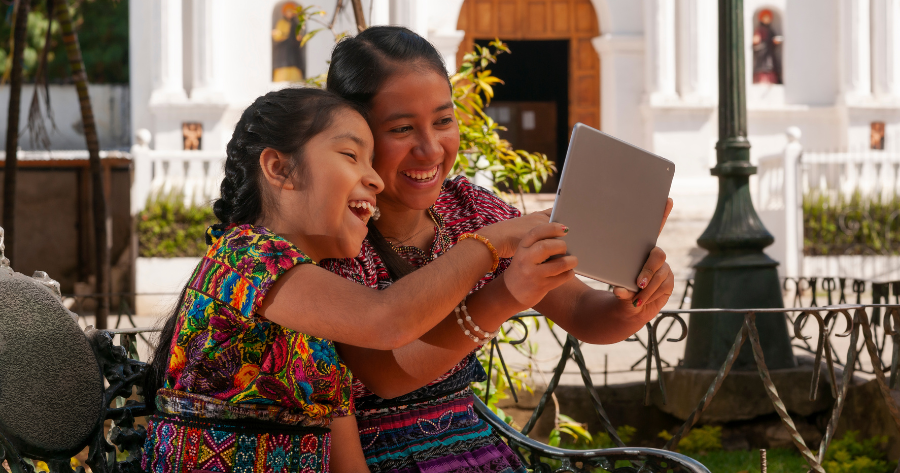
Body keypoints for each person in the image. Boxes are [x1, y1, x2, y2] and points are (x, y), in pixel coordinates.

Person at [140, 87, 576, 473]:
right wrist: (487, 244)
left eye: (371, 160)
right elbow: (388, 319)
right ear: (279, 168)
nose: (374, 178)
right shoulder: (245, 257)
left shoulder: (322, 322)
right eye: (351, 156)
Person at [323, 26, 674, 473]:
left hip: (476, 451)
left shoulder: (470, 207)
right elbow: (387, 376)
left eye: (444, 120)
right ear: (356, 133)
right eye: (402, 128)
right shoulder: (336, 233)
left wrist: (635, 300)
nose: (430, 148)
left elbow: (586, 312)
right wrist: (506, 292)